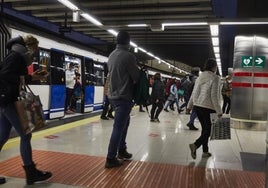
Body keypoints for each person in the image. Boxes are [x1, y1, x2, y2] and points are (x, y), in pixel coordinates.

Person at [0, 35, 52, 185]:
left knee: (3, 136)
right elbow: (5, 75)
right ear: (29, 47)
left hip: (5, 99)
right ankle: (31, 173)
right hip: (8, 100)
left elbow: (14, 75)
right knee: (25, 134)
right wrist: (26, 78)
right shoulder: (17, 56)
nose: (33, 54)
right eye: (34, 50)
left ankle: (31, 172)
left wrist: (31, 77)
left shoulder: (15, 54)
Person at [105, 30, 140, 168]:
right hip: (123, 96)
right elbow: (136, 77)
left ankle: (122, 149)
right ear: (128, 42)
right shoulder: (128, 56)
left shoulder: (111, 55)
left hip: (112, 96)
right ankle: (110, 158)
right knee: (118, 127)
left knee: (124, 123)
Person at [187, 58, 222, 159]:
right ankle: (195, 145)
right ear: (213, 67)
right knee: (208, 131)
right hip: (208, 108)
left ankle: (205, 151)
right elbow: (214, 96)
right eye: (215, 66)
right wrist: (219, 111)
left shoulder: (199, 77)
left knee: (205, 130)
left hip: (198, 107)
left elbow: (194, 93)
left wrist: (189, 106)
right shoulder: (215, 78)